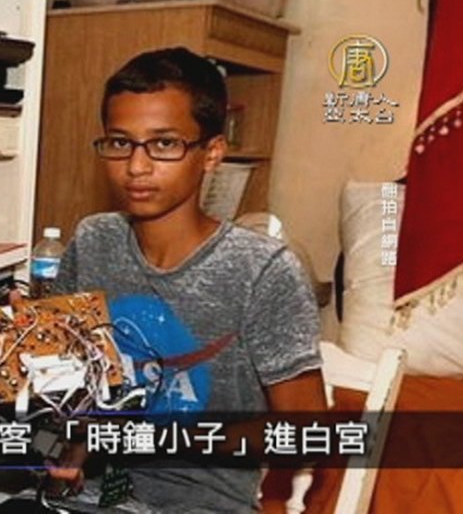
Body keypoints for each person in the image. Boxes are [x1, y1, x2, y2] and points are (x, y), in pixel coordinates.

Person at [48, 47, 327, 513]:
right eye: (120, 143)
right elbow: (74, 378)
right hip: (94, 496)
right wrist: (70, 439)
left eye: (164, 145)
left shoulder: (261, 270)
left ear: (211, 153)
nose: (136, 166)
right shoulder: (94, 240)